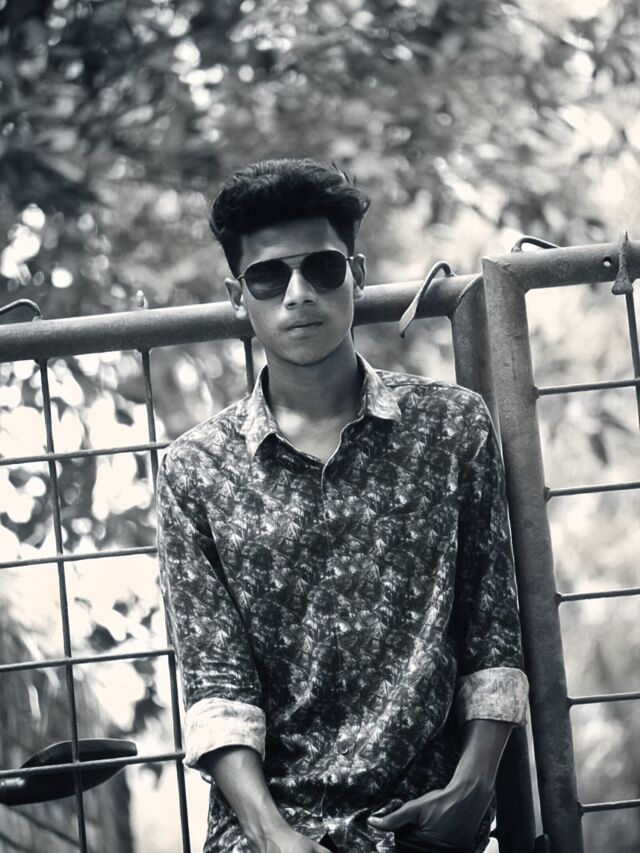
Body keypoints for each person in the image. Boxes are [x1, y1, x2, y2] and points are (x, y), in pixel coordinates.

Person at [156, 158, 529, 853]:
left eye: (322, 269)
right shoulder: (196, 469)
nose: (299, 294)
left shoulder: (451, 427)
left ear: (355, 274)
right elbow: (217, 686)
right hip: (267, 835)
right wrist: (273, 835)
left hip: (422, 826)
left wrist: (473, 788)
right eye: (269, 277)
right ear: (238, 295)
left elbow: (493, 629)